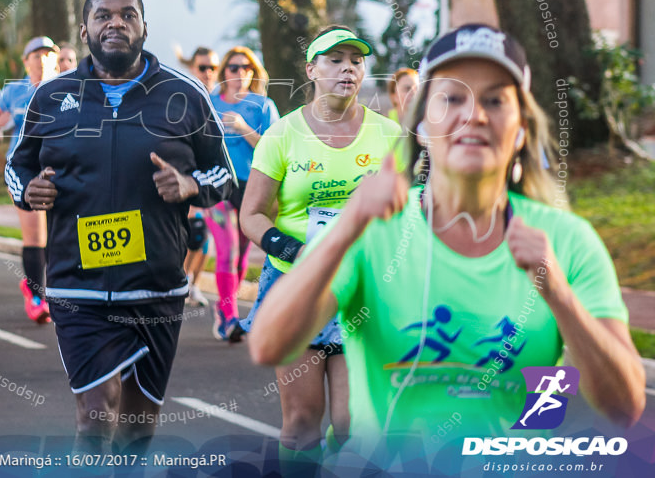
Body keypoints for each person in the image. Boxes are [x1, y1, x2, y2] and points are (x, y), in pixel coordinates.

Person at [249, 24, 645, 468]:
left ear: (521, 130)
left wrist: (559, 296)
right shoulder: (372, 236)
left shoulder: (568, 243)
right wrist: (346, 228)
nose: (474, 114)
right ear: (420, 127)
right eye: (452, 98)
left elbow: (623, 407)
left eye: (495, 100)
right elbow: (269, 346)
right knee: (307, 422)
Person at [6, 0, 234, 454]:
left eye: (128, 15)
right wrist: (28, 192)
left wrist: (192, 186)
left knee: (137, 424)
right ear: (85, 30)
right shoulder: (52, 96)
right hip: (77, 284)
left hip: (156, 286)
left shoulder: (184, 94)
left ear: (144, 28)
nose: (116, 23)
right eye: (103, 16)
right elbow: (16, 166)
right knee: (94, 414)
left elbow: (224, 175)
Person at [238, 27, 402, 470]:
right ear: (311, 70)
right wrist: (292, 251)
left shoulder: (389, 135)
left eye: (355, 60)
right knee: (302, 422)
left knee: (354, 424)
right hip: (295, 287)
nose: (348, 67)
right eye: (335, 59)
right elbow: (251, 214)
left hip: (359, 289)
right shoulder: (282, 135)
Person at [0, 36, 59, 323]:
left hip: (60, 169)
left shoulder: (67, 87)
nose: (42, 60)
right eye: (35, 55)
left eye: (47, 54)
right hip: (25, 169)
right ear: (25, 62)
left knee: (58, 235)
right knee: (35, 236)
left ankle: (53, 291)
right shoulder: (14, 91)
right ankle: (36, 295)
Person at [209, 46, 279, 341]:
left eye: (247, 67)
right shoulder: (209, 102)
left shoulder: (263, 106)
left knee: (240, 258)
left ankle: (223, 308)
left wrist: (242, 127)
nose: (240, 73)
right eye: (234, 68)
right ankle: (229, 318)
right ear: (224, 71)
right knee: (226, 252)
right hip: (218, 184)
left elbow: (274, 148)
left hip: (252, 187)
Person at [176, 46, 221, 309]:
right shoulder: (184, 98)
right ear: (193, 68)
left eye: (213, 68)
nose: (208, 73)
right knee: (194, 235)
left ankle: (192, 285)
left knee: (205, 242)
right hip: (191, 179)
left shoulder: (220, 99)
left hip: (217, 179)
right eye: (203, 67)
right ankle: (180, 283)